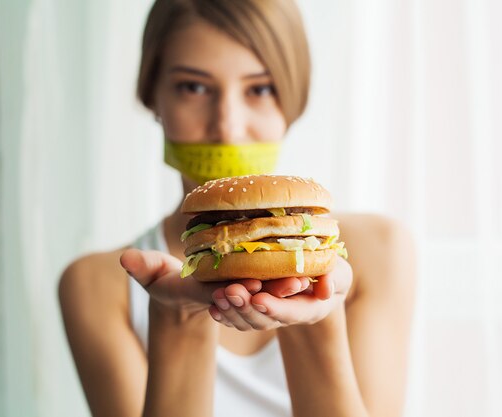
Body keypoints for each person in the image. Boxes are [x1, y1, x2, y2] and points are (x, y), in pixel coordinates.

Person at [58, 1, 416, 416]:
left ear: (292, 100)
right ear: (152, 95)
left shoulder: (382, 252)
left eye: (260, 89)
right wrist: (181, 321)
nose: (227, 126)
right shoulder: (98, 285)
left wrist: (315, 320)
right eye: (194, 87)